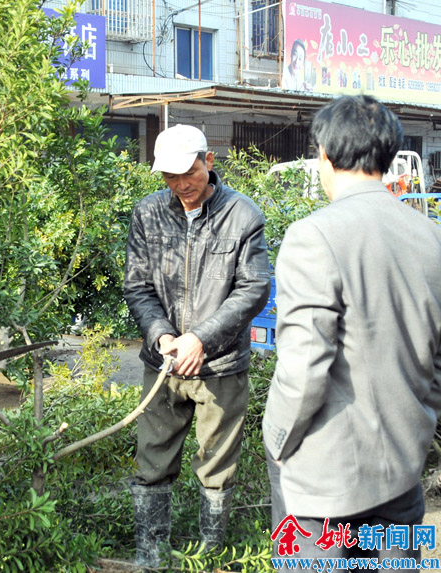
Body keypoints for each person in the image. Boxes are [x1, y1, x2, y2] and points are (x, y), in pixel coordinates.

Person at [263, 95, 441, 571]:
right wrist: (420, 422)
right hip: (402, 470)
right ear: (388, 154)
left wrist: (276, 438)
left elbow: (303, 368)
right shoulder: (431, 236)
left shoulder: (312, 235)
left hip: (325, 481)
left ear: (324, 153)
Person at [123, 123, 271, 566]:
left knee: (217, 469)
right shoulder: (148, 213)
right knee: (152, 462)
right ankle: (152, 556)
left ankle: (209, 558)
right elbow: (138, 287)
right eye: (169, 177)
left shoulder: (243, 215)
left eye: (188, 172)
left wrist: (201, 339)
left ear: (209, 162)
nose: (181, 185)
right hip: (163, 363)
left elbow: (253, 288)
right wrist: (163, 335)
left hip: (221, 365)